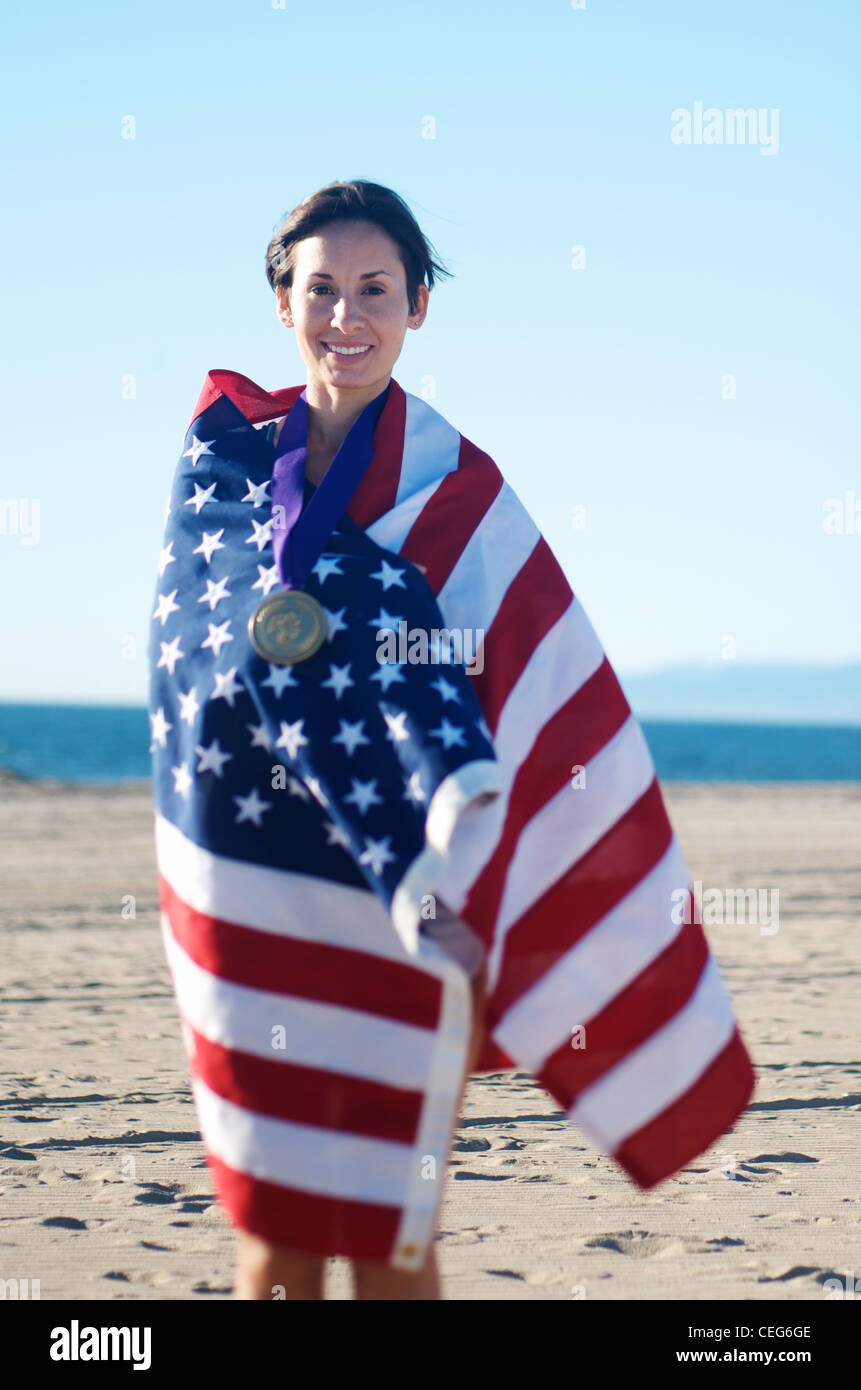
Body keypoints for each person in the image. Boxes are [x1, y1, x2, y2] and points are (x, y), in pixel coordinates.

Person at [148, 179, 755, 1303]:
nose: (346, 316)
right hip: (255, 885)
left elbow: (531, 681)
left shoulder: (458, 494)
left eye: (375, 289)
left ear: (418, 305)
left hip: (415, 896)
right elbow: (190, 671)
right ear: (282, 301)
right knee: (271, 1242)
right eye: (320, 288)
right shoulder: (224, 465)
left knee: (393, 1237)